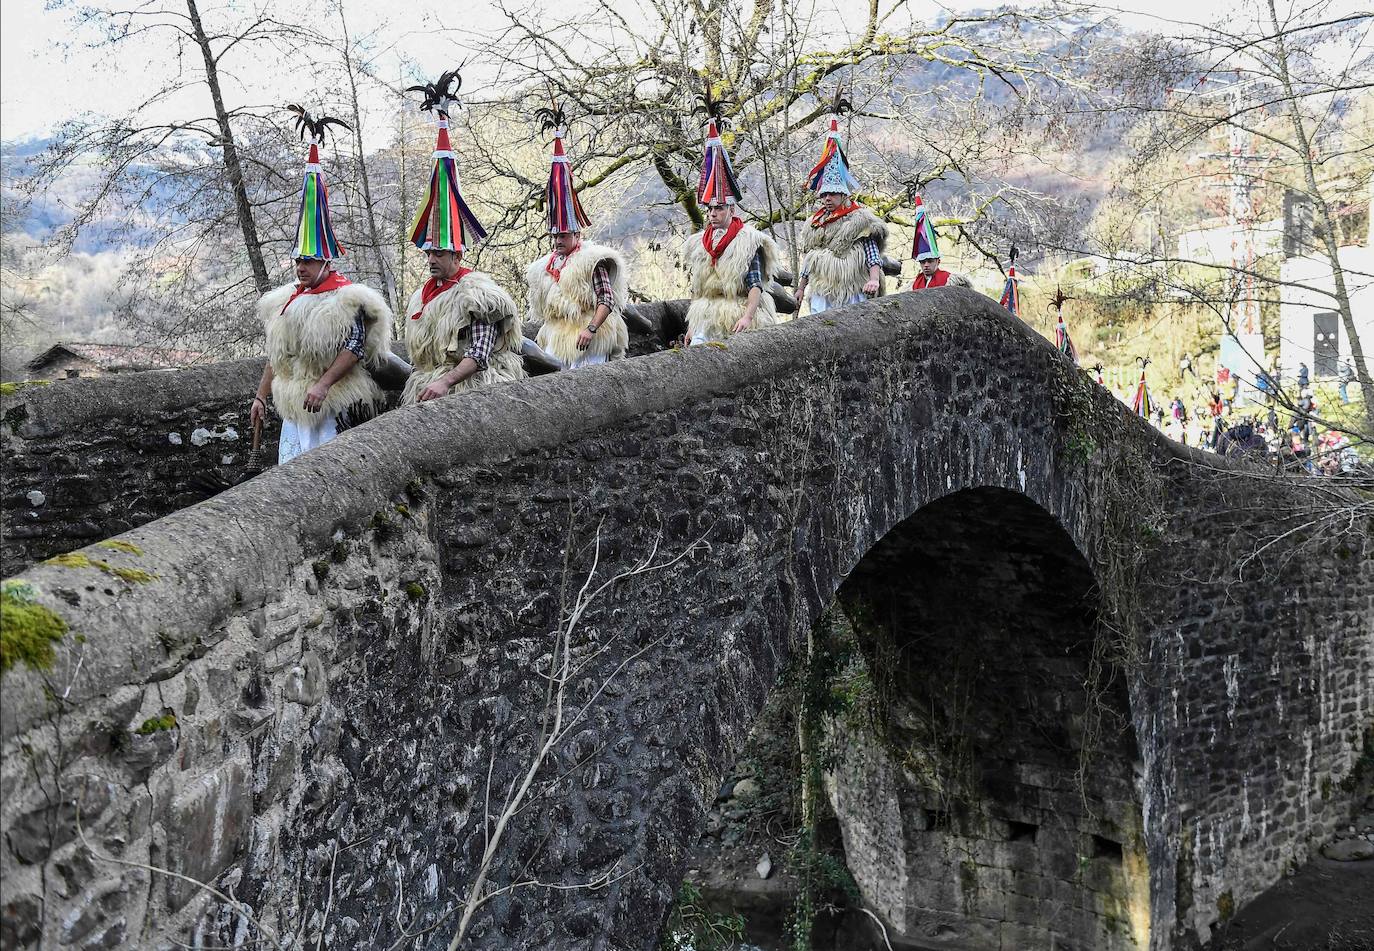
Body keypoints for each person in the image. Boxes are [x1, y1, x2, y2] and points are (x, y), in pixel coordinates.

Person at [250, 111, 392, 464]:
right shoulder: (285, 301)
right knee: (292, 469)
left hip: (333, 401)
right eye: (299, 260)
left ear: (326, 261)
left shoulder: (347, 300)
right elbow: (279, 356)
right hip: (295, 402)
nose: (301, 267)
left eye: (309, 261)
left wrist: (324, 384)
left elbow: (355, 347)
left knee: (331, 469)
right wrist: (260, 396)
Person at [401, 91, 524, 404]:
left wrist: (446, 382)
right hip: (429, 385)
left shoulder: (478, 295)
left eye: (439, 253)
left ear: (457, 254)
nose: (431, 259)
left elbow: (480, 353)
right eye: (429, 253)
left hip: (470, 387)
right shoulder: (421, 297)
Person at [524, 110, 629, 369]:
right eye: (555, 235)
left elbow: (606, 299)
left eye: (563, 235)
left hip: (588, 335)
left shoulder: (591, 261)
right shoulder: (545, 267)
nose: (558, 239)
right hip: (558, 337)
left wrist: (591, 328)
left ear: (576, 234)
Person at [681, 113, 780, 345]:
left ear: (731, 210)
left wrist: (747, 316)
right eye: (710, 210)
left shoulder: (748, 241)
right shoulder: (700, 243)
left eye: (719, 209)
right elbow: (698, 289)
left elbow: (755, 283)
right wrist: (691, 326)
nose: (713, 214)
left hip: (736, 311)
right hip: (705, 315)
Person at [794, 114, 887, 313]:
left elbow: (872, 254)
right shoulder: (814, 223)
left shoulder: (860, 218)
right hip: (823, 290)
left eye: (833, 194)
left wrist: (873, 279)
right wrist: (801, 288)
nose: (828, 198)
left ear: (843, 194)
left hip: (851, 288)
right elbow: (809, 259)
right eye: (824, 194)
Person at [907, 191, 971, 291]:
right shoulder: (914, 284)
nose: (926, 265)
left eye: (930, 261)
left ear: (938, 261)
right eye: (923, 262)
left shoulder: (949, 280)